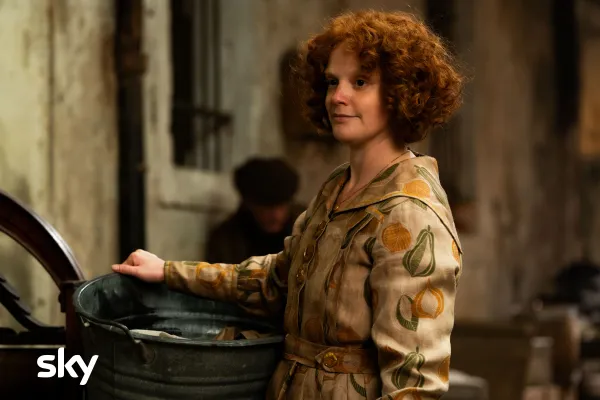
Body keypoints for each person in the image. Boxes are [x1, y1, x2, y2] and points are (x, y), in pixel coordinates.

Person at [113, 9, 465, 399]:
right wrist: (167, 271)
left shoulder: (410, 213)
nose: (338, 97)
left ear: (400, 92)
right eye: (332, 81)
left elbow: (414, 384)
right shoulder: (337, 186)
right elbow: (277, 280)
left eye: (360, 82)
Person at [205, 157, 305, 264]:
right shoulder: (226, 240)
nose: (276, 216)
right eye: (267, 208)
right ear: (249, 205)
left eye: (282, 207)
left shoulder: (306, 228)